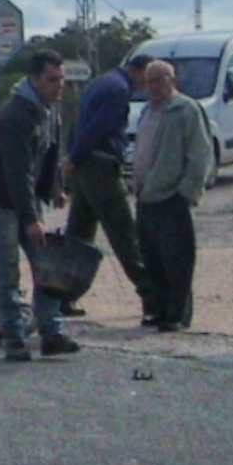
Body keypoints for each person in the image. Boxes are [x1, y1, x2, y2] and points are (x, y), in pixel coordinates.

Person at [0, 49, 78, 361]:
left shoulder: (50, 109)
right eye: (52, 80)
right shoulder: (15, 116)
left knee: (47, 266)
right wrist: (31, 218)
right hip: (0, 199)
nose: (59, 86)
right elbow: (16, 172)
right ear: (34, 79)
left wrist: (55, 186)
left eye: (62, 79)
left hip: (28, 196)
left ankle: (52, 333)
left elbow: (50, 151)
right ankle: (13, 337)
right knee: (8, 270)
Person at [60, 55, 157, 323]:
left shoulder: (101, 82)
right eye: (147, 78)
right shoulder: (118, 90)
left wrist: (72, 157)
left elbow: (77, 124)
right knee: (123, 232)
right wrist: (76, 157)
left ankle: (61, 295)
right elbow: (97, 129)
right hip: (100, 167)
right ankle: (152, 294)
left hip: (85, 167)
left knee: (78, 235)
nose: (147, 85)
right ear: (137, 70)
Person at [131, 59, 212, 333]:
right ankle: (161, 310)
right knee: (152, 260)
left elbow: (200, 155)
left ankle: (177, 315)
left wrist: (187, 192)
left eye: (160, 79)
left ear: (173, 81)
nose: (154, 86)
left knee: (177, 261)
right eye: (150, 81)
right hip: (146, 196)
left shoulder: (186, 110)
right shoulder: (147, 111)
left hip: (172, 197)